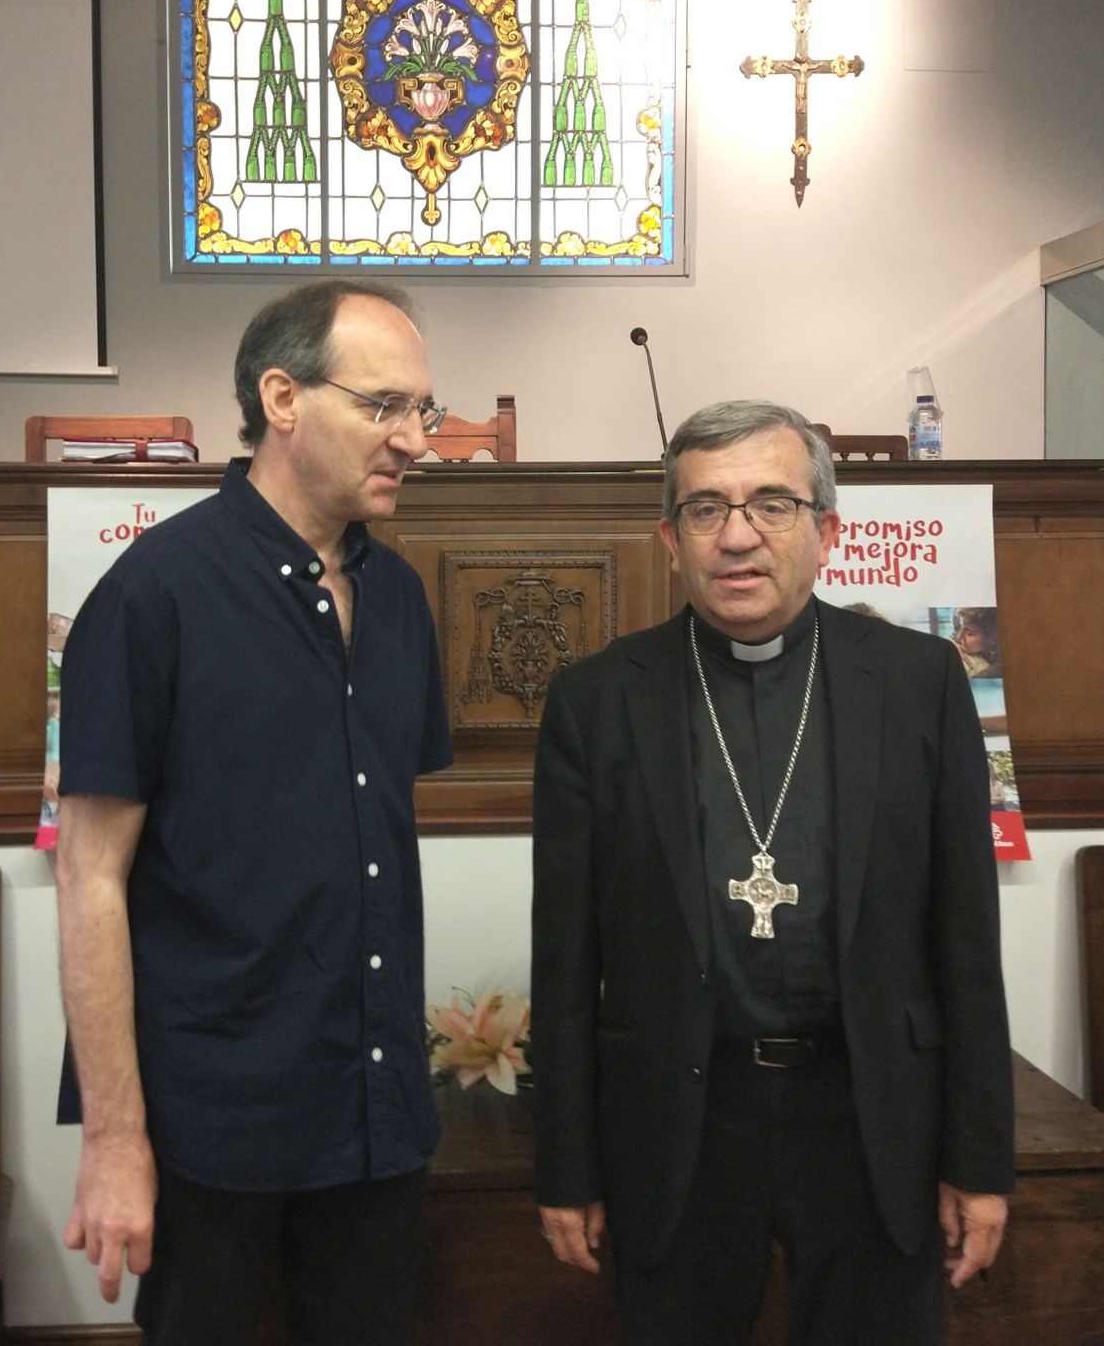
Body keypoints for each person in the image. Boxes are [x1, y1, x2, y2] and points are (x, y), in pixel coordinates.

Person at [530, 400, 1014, 1346]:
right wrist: (567, 1169)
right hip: (683, 1120)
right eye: (706, 510)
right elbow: (563, 958)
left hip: (871, 1116)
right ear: (670, 539)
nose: (738, 536)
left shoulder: (920, 682)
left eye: (772, 505)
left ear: (827, 530)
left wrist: (981, 1158)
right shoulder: (597, 701)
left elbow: (967, 940)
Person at [54, 280, 453, 1346]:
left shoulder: (403, 598)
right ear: (282, 397)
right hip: (214, 1122)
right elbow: (88, 877)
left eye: (425, 411)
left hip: (374, 1108)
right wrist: (114, 1139)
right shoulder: (154, 596)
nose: (415, 440)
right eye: (384, 407)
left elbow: (366, 845)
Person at [951, 606, 1001, 679]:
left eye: (969, 633)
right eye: (960, 627)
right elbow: (954, 637)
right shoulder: (962, 625)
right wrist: (950, 645)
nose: (959, 636)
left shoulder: (1001, 660)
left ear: (989, 638)